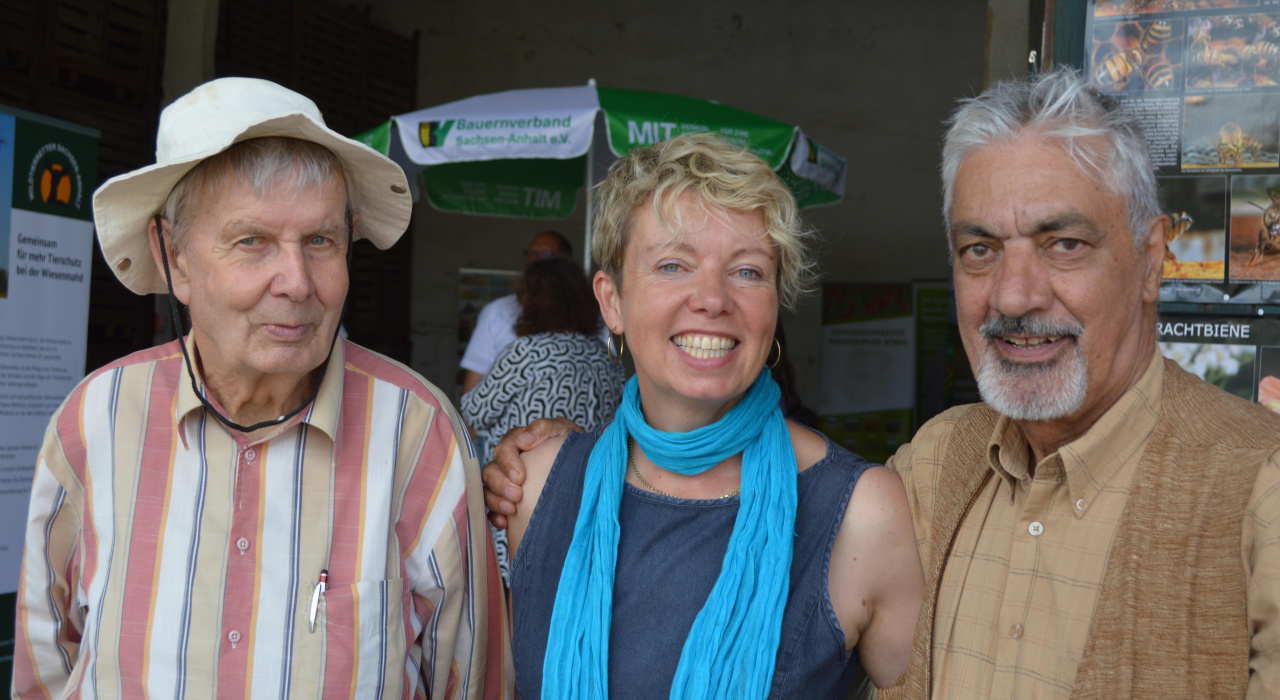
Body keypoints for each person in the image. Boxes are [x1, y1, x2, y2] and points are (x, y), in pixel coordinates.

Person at [483, 68, 1280, 698]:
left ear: (1152, 260)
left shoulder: (1260, 494)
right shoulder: (937, 465)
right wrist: (536, 457)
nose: (1013, 294)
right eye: (979, 250)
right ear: (610, 301)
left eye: (1064, 243)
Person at [13, 78, 511, 699]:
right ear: (176, 257)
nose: (297, 282)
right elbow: (44, 670)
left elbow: (471, 683)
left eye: (321, 242)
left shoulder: (418, 434)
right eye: (252, 242)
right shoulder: (94, 422)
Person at [500, 132, 924, 698]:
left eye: (747, 271)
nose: (712, 298)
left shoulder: (861, 512)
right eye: (673, 265)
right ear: (612, 301)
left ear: (775, 306)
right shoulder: (535, 485)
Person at [460, 255, 625, 583]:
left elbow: (472, 413)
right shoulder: (606, 358)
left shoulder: (523, 354)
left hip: (523, 506)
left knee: (519, 609)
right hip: (590, 506)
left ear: (529, 303)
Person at [460, 230, 575, 393]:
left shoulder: (590, 318)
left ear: (566, 262)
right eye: (531, 253)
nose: (535, 260)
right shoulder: (498, 312)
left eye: (545, 254)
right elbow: (471, 397)